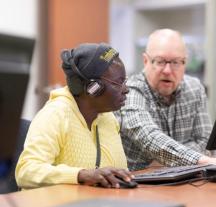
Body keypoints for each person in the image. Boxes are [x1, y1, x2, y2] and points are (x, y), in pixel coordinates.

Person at [15, 42, 135, 189]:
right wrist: (82, 175)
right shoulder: (55, 114)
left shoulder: (108, 117)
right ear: (93, 88)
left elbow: (119, 172)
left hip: (101, 206)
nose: (126, 89)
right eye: (118, 82)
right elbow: (26, 172)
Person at [115, 29, 216, 171]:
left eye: (176, 62)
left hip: (186, 183)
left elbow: (204, 142)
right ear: (146, 61)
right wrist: (204, 160)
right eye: (160, 62)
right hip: (139, 186)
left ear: (185, 63)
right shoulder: (130, 91)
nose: (167, 70)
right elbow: (150, 138)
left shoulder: (194, 89)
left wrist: (165, 158)